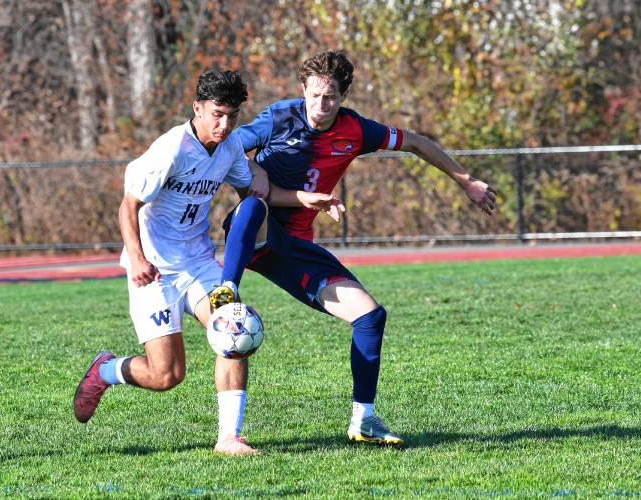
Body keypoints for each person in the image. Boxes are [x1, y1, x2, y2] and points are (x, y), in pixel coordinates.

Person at [211, 50, 497, 446]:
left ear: (343, 95)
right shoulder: (279, 117)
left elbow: (414, 142)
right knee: (253, 205)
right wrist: (254, 168)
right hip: (254, 232)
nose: (320, 105)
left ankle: (363, 418)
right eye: (313, 95)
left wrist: (465, 180)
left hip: (294, 248)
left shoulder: (356, 131)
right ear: (303, 91)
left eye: (329, 97)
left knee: (370, 316)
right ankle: (227, 290)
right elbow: (228, 146)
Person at [72, 69, 340, 456]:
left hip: (198, 264)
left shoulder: (229, 148)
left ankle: (228, 438)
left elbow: (256, 193)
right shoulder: (171, 150)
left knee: (233, 331)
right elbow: (128, 206)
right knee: (166, 375)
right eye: (216, 114)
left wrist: (304, 197)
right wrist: (136, 257)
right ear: (197, 109)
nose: (224, 123)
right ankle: (106, 370)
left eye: (231, 116)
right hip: (156, 271)